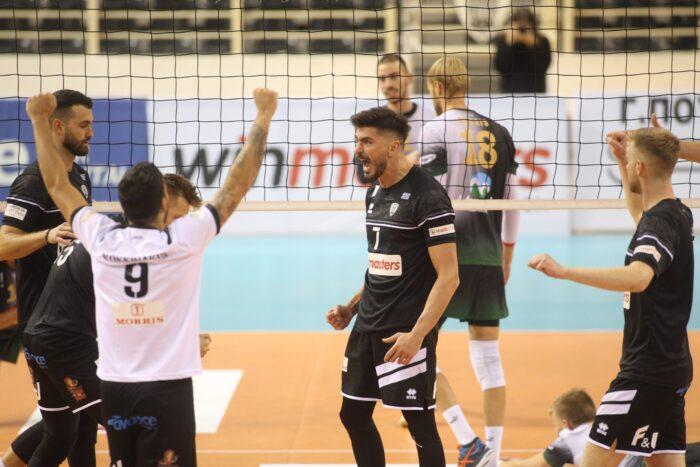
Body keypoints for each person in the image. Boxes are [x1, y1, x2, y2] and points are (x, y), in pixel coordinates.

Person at [25, 88, 278, 466]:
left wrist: (38, 121)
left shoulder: (100, 239)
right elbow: (236, 185)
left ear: (123, 206)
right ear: (163, 203)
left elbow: (57, 185)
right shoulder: (183, 241)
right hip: (166, 390)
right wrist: (263, 116)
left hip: (116, 388)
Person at [529, 127, 692, 466]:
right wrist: (621, 160)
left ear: (641, 168)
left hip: (644, 371)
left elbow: (639, 277)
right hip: (671, 368)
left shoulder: (660, 223)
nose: (628, 165)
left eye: (630, 161)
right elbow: (640, 217)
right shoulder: (676, 213)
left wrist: (565, 271)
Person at [20, 174, 207, 467]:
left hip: (38, 339)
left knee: (60, 436)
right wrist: (184, 341)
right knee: (130, 423)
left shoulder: (108, 233)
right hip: (65, 346)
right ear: (160, 205)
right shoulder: (131, 249)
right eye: (177, 218)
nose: (179, 227)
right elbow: (133, 317)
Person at [326, 107, 459, 467]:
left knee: (420, 426)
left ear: (394, 146)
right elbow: (379, 264)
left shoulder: (428, 197)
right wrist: (351, 307)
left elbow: (449, 276)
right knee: (353, 415)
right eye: (357, 141)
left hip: (403, 332)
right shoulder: (374, 193)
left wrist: (417, 335)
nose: (358, 150)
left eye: (367, 142)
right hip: (367, 326)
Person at [419, 55, 520, 465]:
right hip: (489, 255)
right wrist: (507, 255)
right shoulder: (500, 132)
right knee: (489, 360)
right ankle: (493, 455)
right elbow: (511, 200)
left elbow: (429, 196)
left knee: (416, 351)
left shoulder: (434, 129)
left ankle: (467, 440)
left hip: (446, 258)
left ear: (438, 87)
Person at [0, 89, 94, 467]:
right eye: (83, 125)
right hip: (43, 320)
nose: (91, 133)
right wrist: (46, 235)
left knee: (65, 424)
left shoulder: (78, 176)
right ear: (57, 127)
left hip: (72, 317)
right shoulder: (32, 182)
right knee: (75, 423)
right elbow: (3, 245)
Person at [501, 388, 596, 467]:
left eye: (556, 425)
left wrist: (498, 463)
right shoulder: (600, 427)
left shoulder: (569, 438)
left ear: (565, 424)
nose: (556, 430)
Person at [376, 53, 436, 160]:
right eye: (382, 79)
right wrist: (406, 163)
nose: (388, 85)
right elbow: (362, 169)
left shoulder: (431, 120)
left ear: (409, 78)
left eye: (394, 77)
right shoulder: (373, 124)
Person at [493, 8, 551, 94]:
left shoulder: (542, 41)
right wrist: (508, 44)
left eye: (526, 25)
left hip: (536, 93)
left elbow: (543, 67)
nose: (522, 29)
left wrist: (532, 45)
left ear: (533, 26)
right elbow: (500, 67)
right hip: (508, 93)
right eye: (519, 25)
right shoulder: (503, 39)